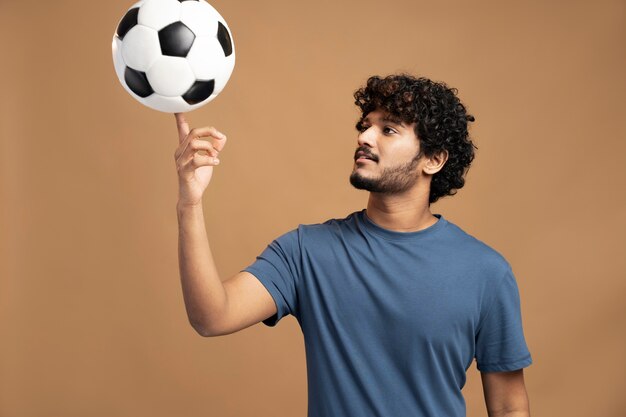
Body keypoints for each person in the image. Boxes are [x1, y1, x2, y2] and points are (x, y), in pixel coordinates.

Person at [173, 73, 533, 417]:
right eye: (366, 125)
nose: (365, 137)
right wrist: (190, 203)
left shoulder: (486, 272)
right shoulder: (306, 252)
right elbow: (211, 317)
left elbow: (509, 408)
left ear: (433, 160)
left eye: (388, 129)